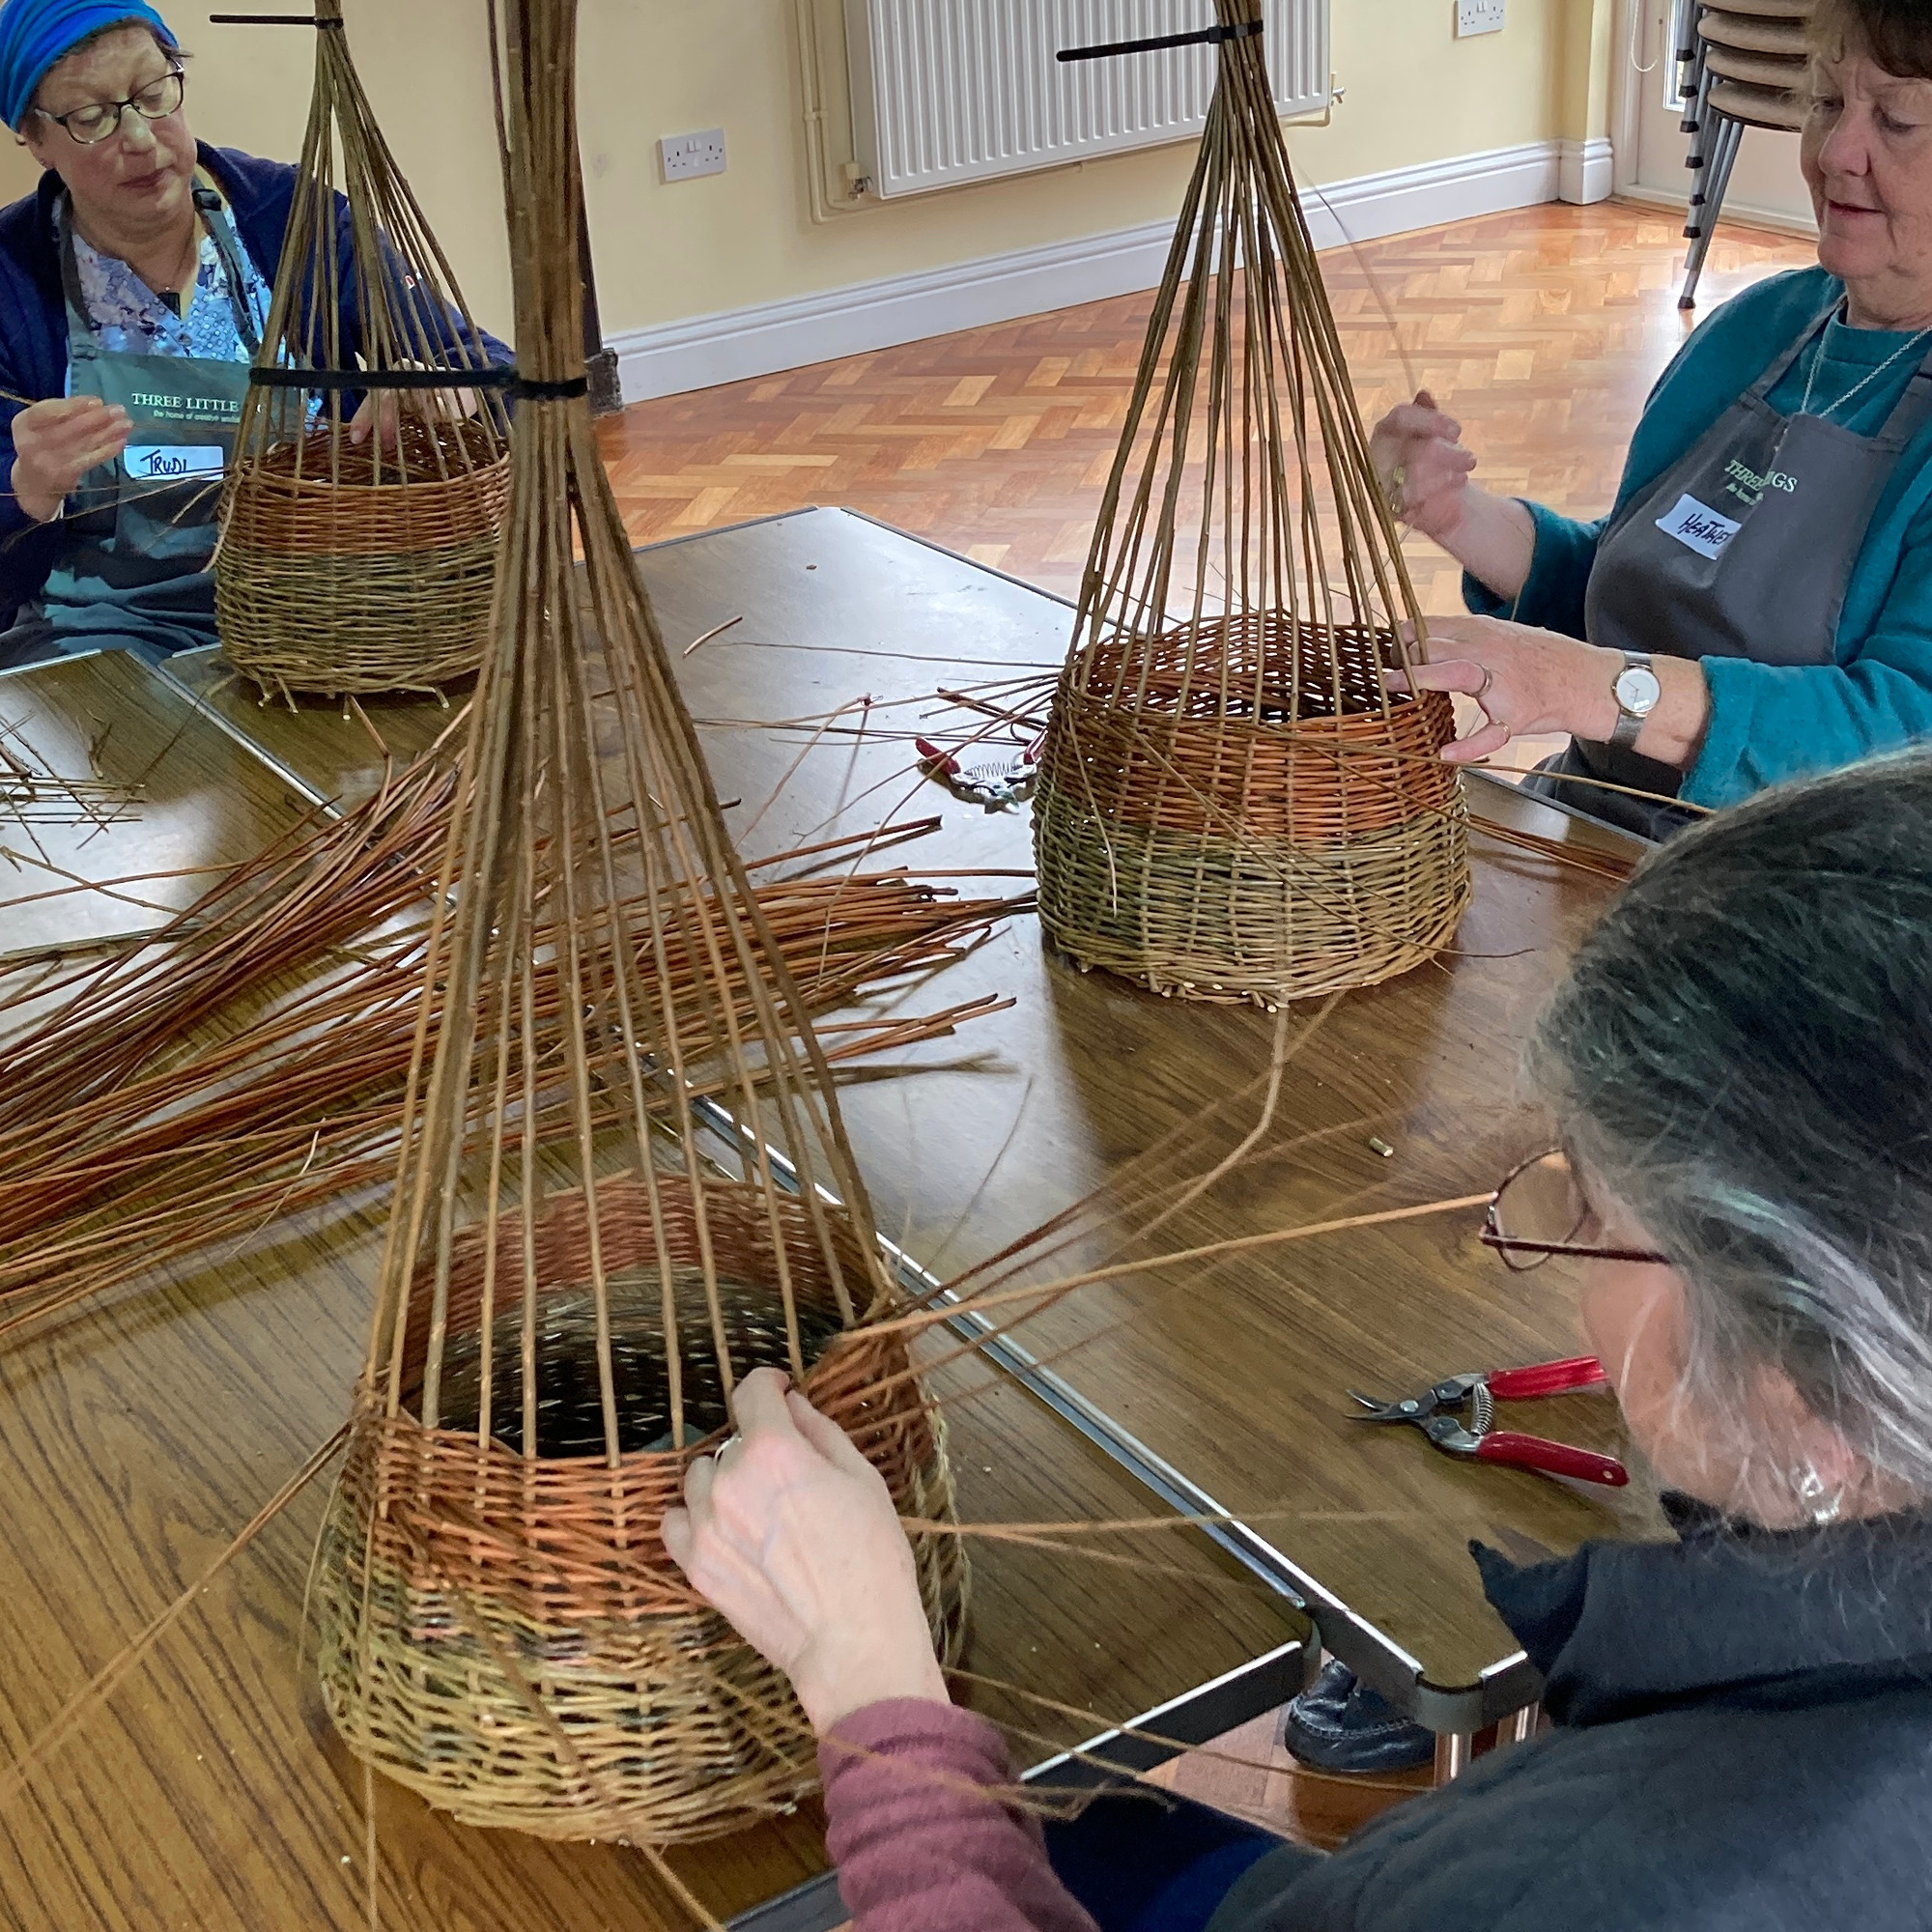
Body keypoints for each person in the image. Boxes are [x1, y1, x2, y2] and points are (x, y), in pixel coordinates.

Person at [664, 748, 1932, 1932]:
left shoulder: (1640, 1885)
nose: (1555, 1264)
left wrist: (869, 1683)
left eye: (1589, 1209)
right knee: (1090, 1817)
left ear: (1800, 1378)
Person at [1372, 0, 1932, 839]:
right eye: (1826, 104)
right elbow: (1641, 584)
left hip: (1820, 906)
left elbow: (1903, 736)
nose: (1836, 154)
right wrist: (1461, 518)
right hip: (1599, 831)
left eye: (1896, 120)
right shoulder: (1761, 329)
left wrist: (1591, 687)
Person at [0, 0, 506, 668]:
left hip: (332, 606)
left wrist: (445, 393)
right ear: (34, 138)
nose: (143, 138)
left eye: (154, 95)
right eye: (91, 118)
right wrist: (21, 488)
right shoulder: (12, 277)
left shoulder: (294, 218)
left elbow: (496, 374)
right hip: (111, 632)